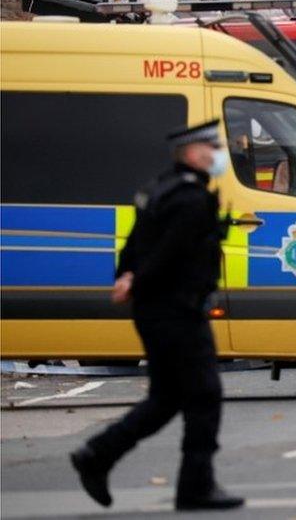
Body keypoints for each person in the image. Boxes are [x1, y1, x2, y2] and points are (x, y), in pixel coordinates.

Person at [69, 120, 245, 511]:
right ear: (193, 153)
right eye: (211, 149)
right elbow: (170, 252)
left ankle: (98, 455)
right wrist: (137, 281)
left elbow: (135, 244)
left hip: (155, 309)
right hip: (178, 311)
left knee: (167, 398)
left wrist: (126, 277)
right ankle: (195, 486)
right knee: (204, 395)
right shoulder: (192, 198)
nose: (217, 155)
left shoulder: (159, 189)